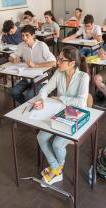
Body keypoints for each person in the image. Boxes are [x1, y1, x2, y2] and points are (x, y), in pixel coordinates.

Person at [34, 46, 90, 185]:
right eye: (58, 58)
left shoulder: (83, 77)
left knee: (58, 144)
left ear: (72, 63)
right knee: (41, 137)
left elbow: (81, 103)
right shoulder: (59, 72)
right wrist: (41, 98)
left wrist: (60, 98)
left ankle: (57, 170)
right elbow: (45, 89)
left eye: (61, 59)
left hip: (74, 115)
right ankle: (56, 168)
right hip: (58, 112)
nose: (57, 62)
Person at [9, 25, 56, 104]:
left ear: (33, 36)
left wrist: (35, 65)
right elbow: (11, 56)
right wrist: (14, 59)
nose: (24, 38)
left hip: (41, 78)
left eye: (27, 35)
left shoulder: (41, 45)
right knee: (14, 92)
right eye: (23, 35)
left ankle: (30, 105)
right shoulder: (22, 45)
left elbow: (54, 63)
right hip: (27, 77)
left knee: (29, 96)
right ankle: (27, 105)